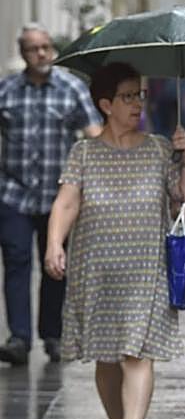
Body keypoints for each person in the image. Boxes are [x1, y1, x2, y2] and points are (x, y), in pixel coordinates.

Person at [44, 62, 185, 419]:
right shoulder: (83, 153)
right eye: (128, 96)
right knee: (107, 358)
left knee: (138, 354)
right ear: (106, 104)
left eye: (140, 95)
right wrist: (54, 243)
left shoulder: (159, 148)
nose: (137, 104)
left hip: (146, 272)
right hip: (96, 272)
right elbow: (67, 202)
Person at [0, 24, 103, 365]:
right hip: (12, 194)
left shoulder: (71, 88)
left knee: (55, 265)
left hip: (59, 197)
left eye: (46, 47)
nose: (42, 53)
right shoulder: (7, 91)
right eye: (34, 48)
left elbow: (94, 133)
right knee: (16, 261)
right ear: (23, 53)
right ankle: (19, 337)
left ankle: (52, 335)